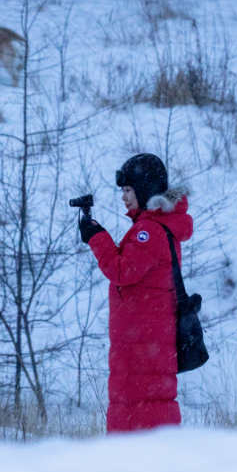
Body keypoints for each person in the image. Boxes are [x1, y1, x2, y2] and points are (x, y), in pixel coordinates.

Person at [78, 153, 193, 433]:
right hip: (143, 347)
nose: (124, 197)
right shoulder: (152, 228)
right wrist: (99, 234)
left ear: (145, 189)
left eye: (128, 190)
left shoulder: (149, 231)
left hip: (142, 350)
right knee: (146, 422)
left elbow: (122, 271)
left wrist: (96, 238)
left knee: (136, 426)